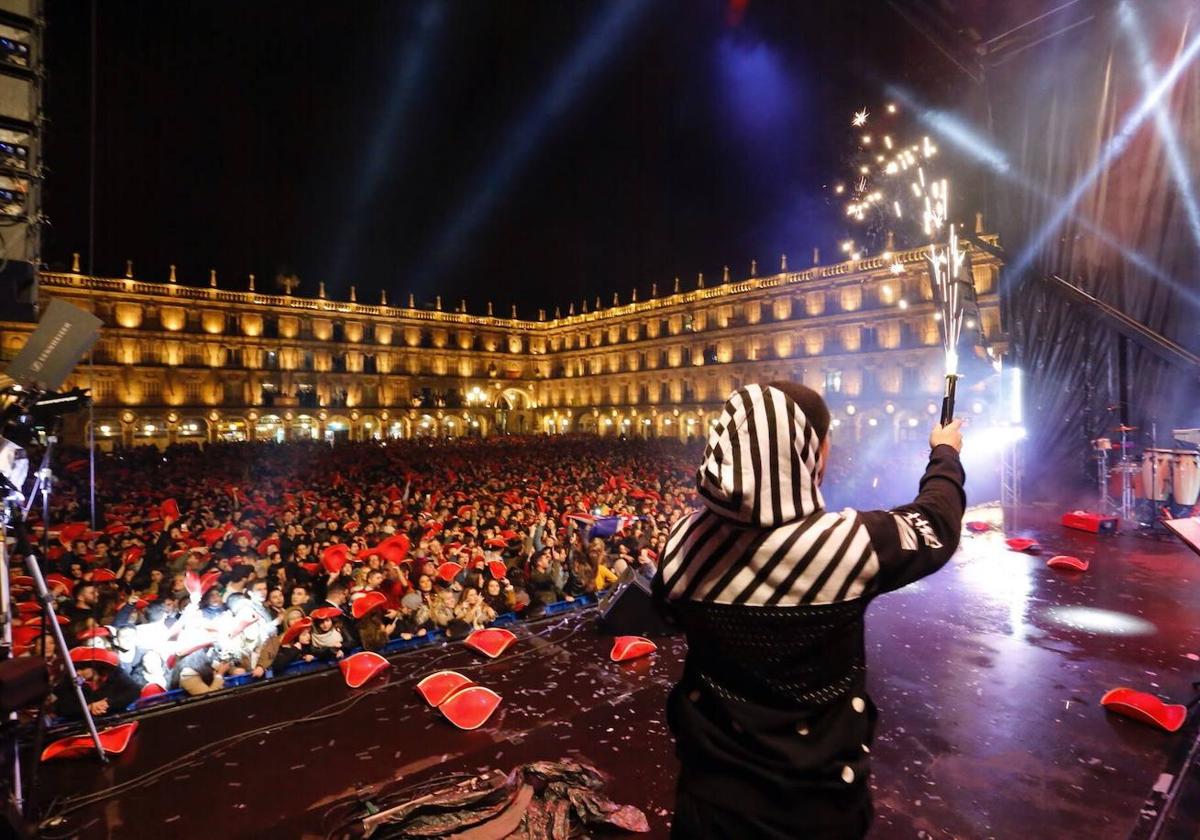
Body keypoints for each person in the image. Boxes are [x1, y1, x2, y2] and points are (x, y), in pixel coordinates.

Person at [654, 382, 965, 840]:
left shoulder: (683, 542)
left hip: (707, 798)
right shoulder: (849, 544)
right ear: (810, 452)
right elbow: (936, 523)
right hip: (816, 805)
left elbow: (668, 610)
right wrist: (945, 453)